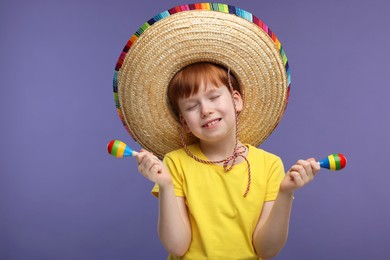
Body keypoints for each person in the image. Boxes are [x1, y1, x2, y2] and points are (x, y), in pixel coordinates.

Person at [112, 3, 319, 259]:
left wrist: (285, 193)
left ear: (236, 100)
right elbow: (177, 247)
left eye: (213, 97)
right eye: (192, 105)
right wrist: (164, 185)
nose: (205, 110)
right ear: (184, 121)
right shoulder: (175, 164)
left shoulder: (270, 166)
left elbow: (266, 250)